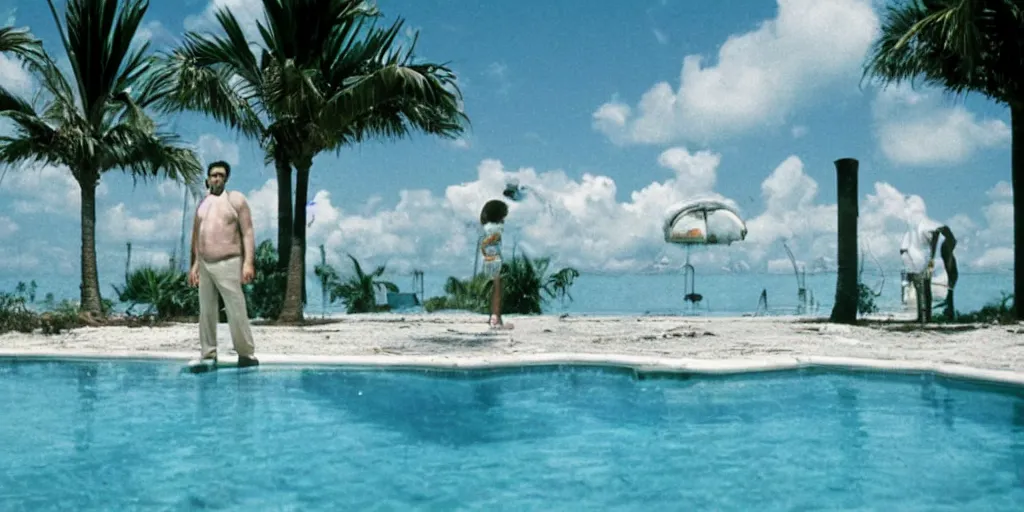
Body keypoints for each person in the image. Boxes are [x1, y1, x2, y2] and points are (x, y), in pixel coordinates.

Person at [188, 161, 259, 367]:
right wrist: (194, 266)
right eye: (213, 175)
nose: (216, 178)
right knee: (206, 311)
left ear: (226, 178)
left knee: (235, 309)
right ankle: (208, 354)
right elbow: (195, 239)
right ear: (207, 179)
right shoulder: (202, 205)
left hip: (229, 261)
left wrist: (248, 263)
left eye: (220, 175)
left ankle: (246, 353)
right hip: (204, 264)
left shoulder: (235, 200)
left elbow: (247, 232)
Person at [900, 218, 958, 323]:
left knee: (925, 288)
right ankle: (927, 316)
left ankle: (926, 316)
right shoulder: (942, 241)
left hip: (928, 262)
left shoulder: (939, 240)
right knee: (926, 288)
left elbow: (933, 255)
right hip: (928, 262)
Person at [479, 199, 513, 330]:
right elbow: (491, 242)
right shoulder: (495, 228)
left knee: (494, 289)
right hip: (495, 259)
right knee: (498, 289)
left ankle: (494, 317)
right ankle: (496, 318)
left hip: (489, 259)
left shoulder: (486, 228)